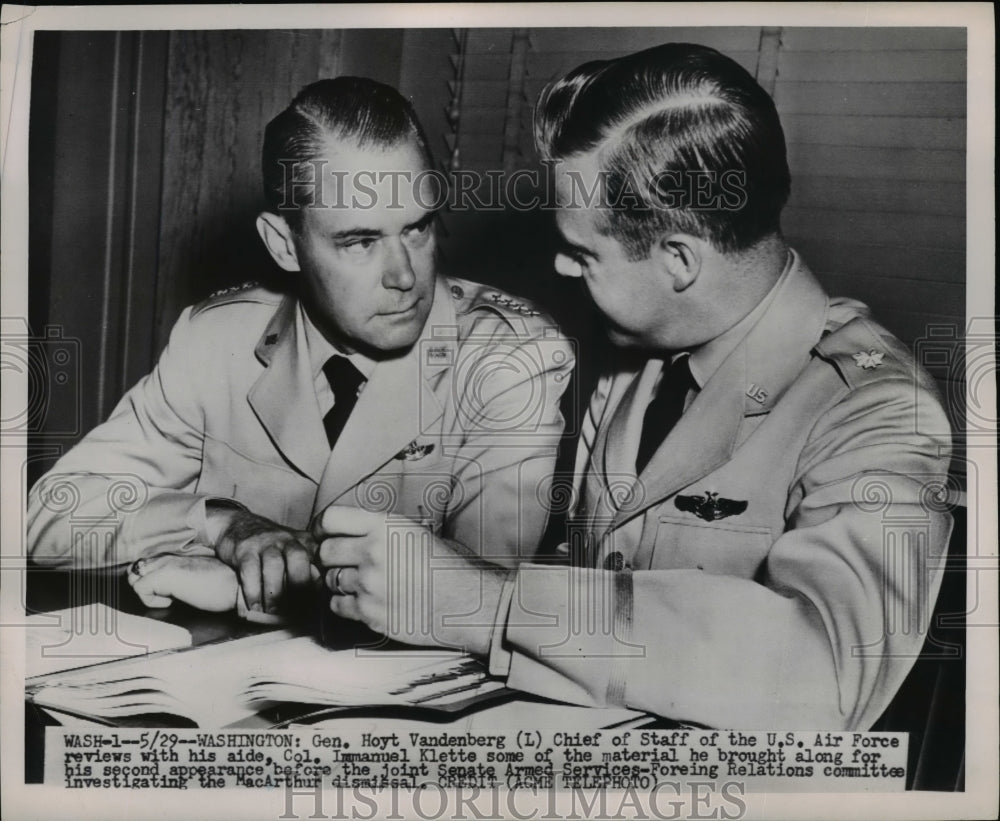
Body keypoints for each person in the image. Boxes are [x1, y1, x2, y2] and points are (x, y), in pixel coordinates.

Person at [310, 44, 953, 730]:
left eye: (585, 253)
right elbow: (607, 582)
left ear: (678, 259)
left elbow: (826, 676)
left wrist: (488, 602)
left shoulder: (877, 405)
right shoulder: (635, 368)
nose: (560, 265)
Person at [27, 77, 574, 624]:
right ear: (284, 245)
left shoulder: (510, 358)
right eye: (360, 241)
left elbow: (486, 600)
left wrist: (244, 587)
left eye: (418, 227)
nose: (405, 276)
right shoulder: (217, 340)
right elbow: (46, 520)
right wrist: (219, 524)